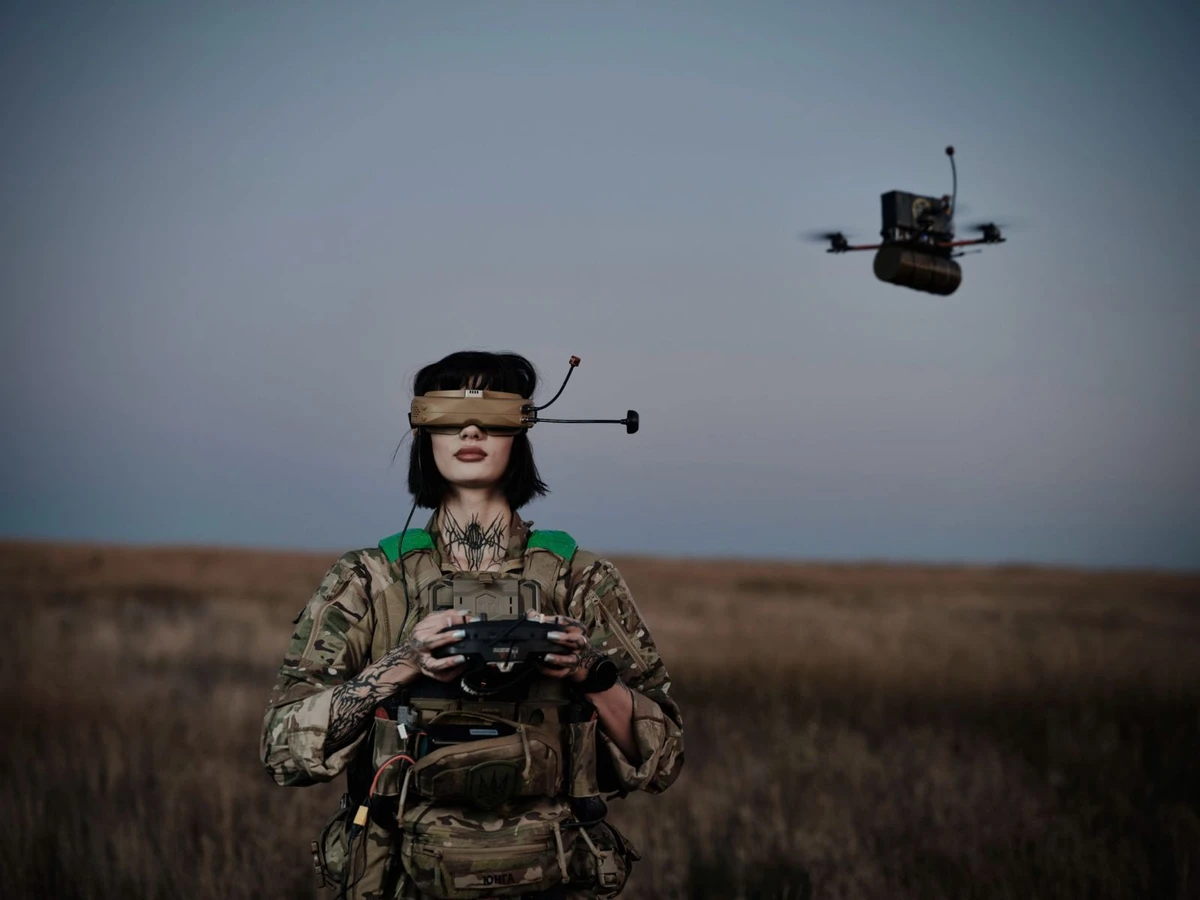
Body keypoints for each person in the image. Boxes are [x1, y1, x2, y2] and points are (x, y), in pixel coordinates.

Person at [260, 350, 685, 900]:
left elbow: (664, 758)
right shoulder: (369, 579)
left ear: (521, 429)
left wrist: (589, 672)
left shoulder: (581, 580)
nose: (471, 430)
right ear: (423, 430)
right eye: (449, 415)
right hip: (400, 878)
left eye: (491, 414)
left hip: (553, 876)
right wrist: (401, 665)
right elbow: (282, 751)